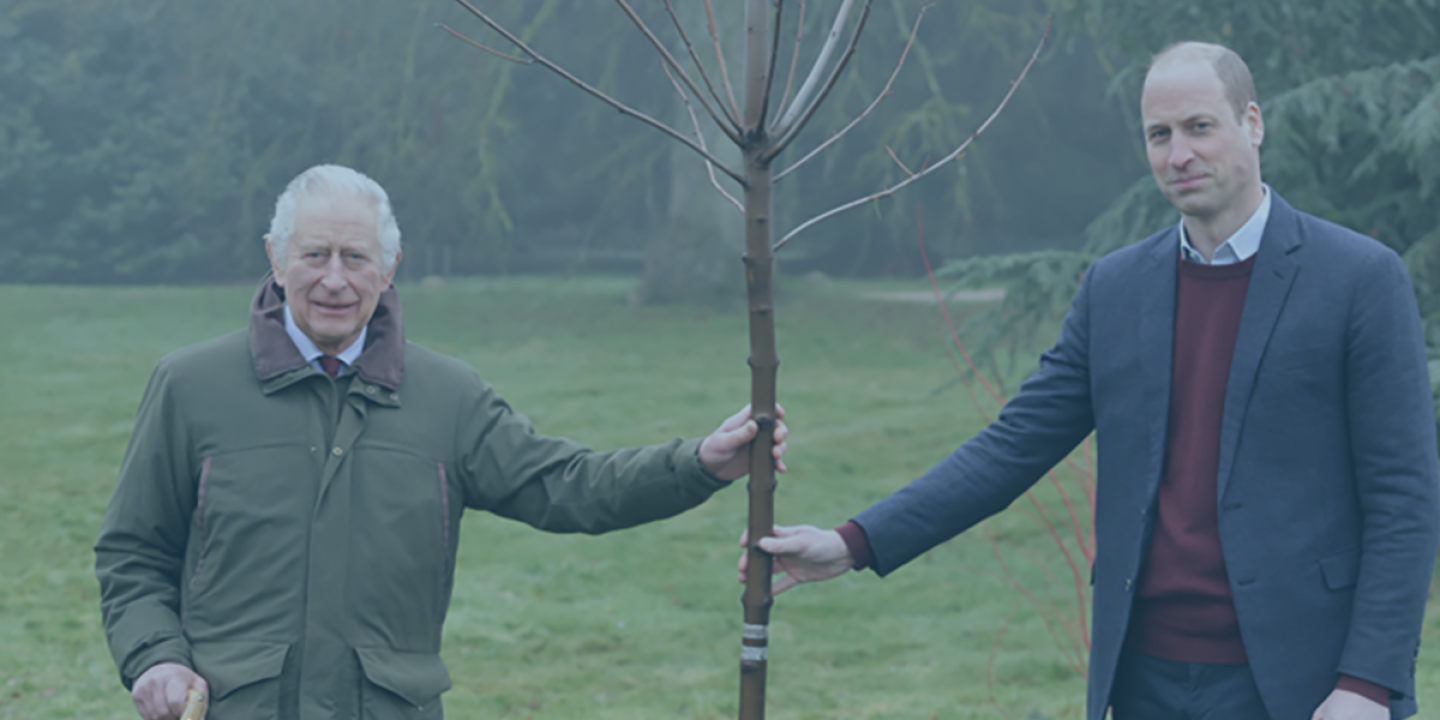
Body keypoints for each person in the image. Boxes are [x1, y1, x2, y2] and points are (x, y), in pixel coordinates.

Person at [740, 42, 1439, 720]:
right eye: (1159, 134)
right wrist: (854, 542)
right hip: (1141, 679)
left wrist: (1368, 684)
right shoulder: (1116, 289)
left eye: (1200, 127)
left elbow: (1404, 498)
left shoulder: (1359, 280)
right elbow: (1013, 447)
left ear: (1252, 124)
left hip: (1302, 683)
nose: (1179, 154)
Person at [96, 164, 788, 720]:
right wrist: (156, 656)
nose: (334, 279)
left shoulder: (447, 397)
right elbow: (133, 549)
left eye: (356, 258)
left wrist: (696, 464)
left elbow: (567, 485)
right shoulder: (191, 386)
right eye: (314, 255)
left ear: (389, 267)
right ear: (276, 259)